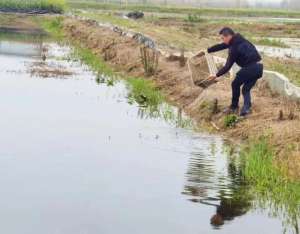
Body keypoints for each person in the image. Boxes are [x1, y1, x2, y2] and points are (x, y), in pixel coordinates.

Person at [207, 27, 263, 116]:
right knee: (246, 89)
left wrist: (216, 75)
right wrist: (208, 50)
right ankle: (246, 109)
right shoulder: (238, 39)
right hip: (259, 67)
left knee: (235, 84)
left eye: (223, 38)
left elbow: (227, 66)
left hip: (251, 68)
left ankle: (234, 107)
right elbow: (222, 45)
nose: (222, 40)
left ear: (229, 36)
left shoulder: (234, 48)